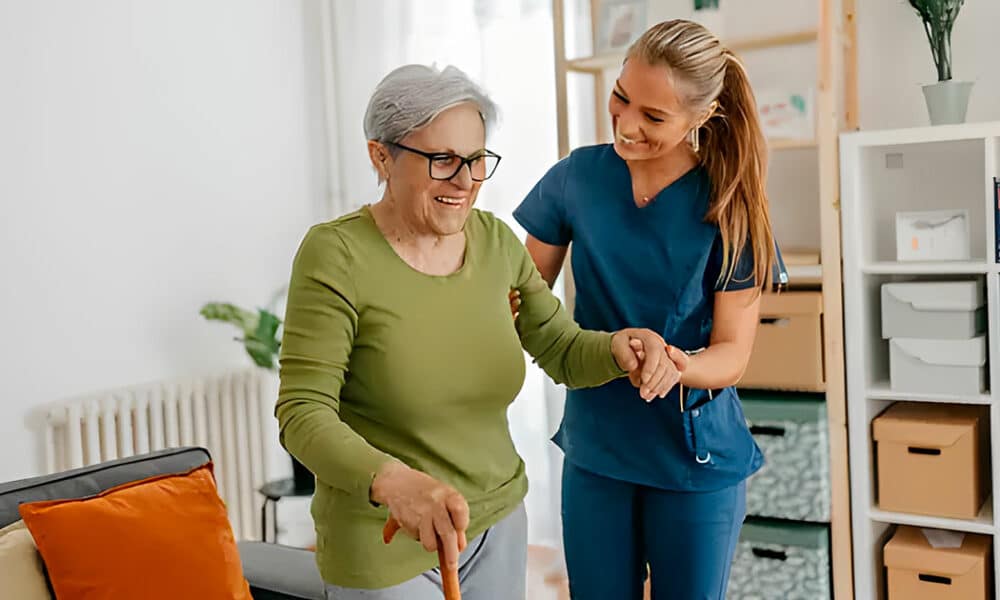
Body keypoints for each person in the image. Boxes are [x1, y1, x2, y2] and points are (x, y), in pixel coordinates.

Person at [275, 63, 679, 600]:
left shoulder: (494, 242)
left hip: (497, 523)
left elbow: (560, 347)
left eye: (475, 160)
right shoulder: (336, 255)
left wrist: (620, 347)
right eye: (442, 161)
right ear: (381, 156)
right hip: (385, 536)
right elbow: (303, 413)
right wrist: (393, 483)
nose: (465, 182)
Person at [513, 19, 777, 600]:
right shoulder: (576, 179)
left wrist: (671, 363)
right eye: (621, 98)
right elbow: (522, 298)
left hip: (693, 458)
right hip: (597, 449)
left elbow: (732, 354)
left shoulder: (729, 206)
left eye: (654, 117)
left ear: (700, 118)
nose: (627, 124)